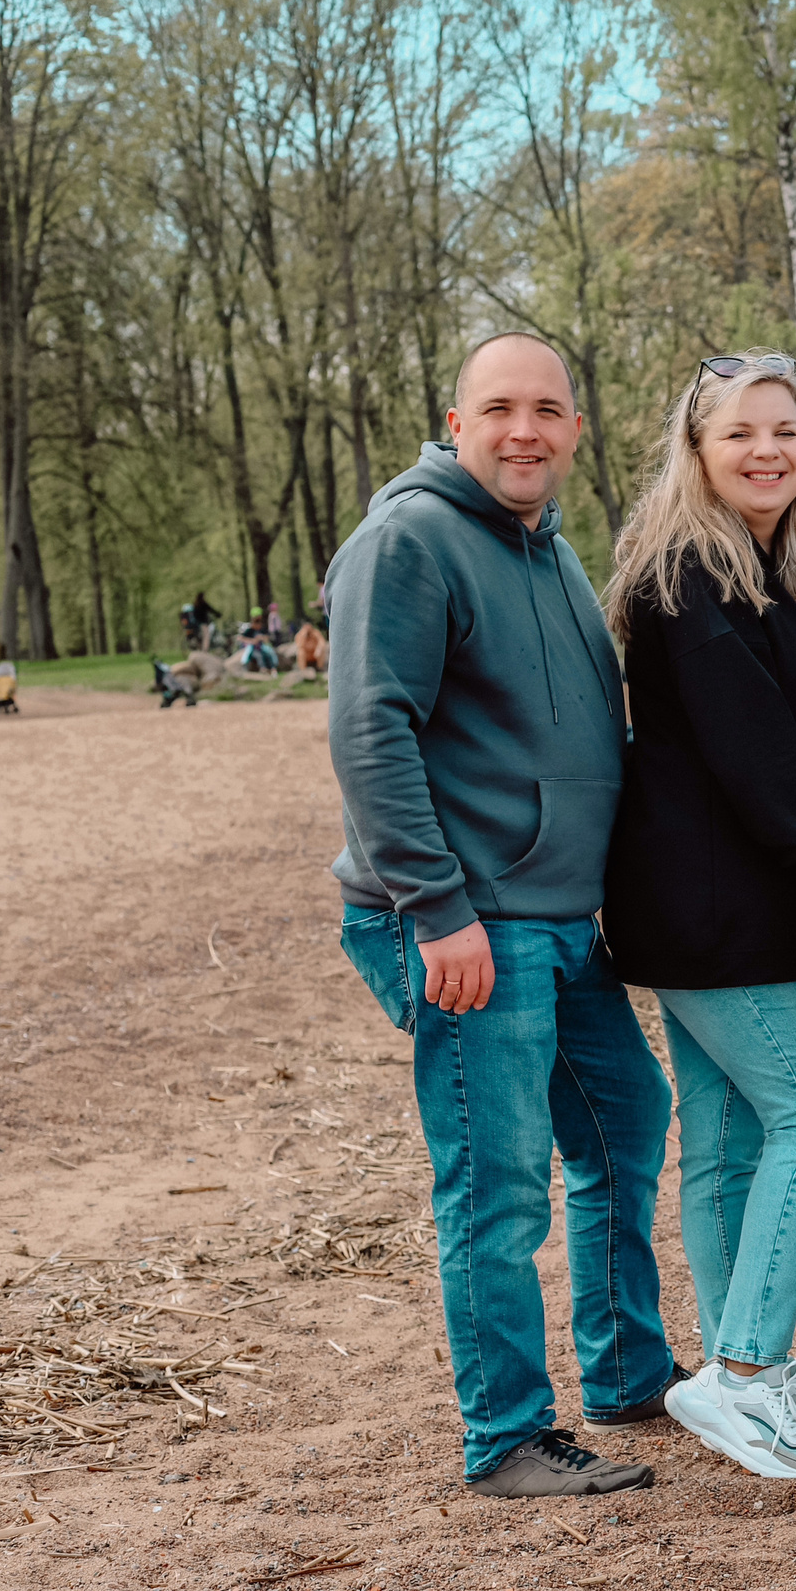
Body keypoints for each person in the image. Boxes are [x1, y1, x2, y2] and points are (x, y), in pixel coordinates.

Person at [325, 332, 672, 1499]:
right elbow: (370, 730)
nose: (525, 429)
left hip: (560, 921)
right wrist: (437, 911)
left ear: (576, 428)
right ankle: (508, 1437)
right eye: (501, 408)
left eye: (548, 409)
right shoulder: (409, 540)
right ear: (457, 421)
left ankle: (626, 1372)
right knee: (497, 1179)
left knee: (625, 1121)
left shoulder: (553, 554)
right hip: (467, 922)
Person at [599, 350, 796, 1483]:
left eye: (786, 432)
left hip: (725, 902)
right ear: (698, 451)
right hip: (705, 903)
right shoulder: (687, 573)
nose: (768, 450)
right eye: (741, 434)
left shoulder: (770, 575)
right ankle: (746, 1374)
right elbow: (764, 766)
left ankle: (738, 1370)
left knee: (726, 1144)